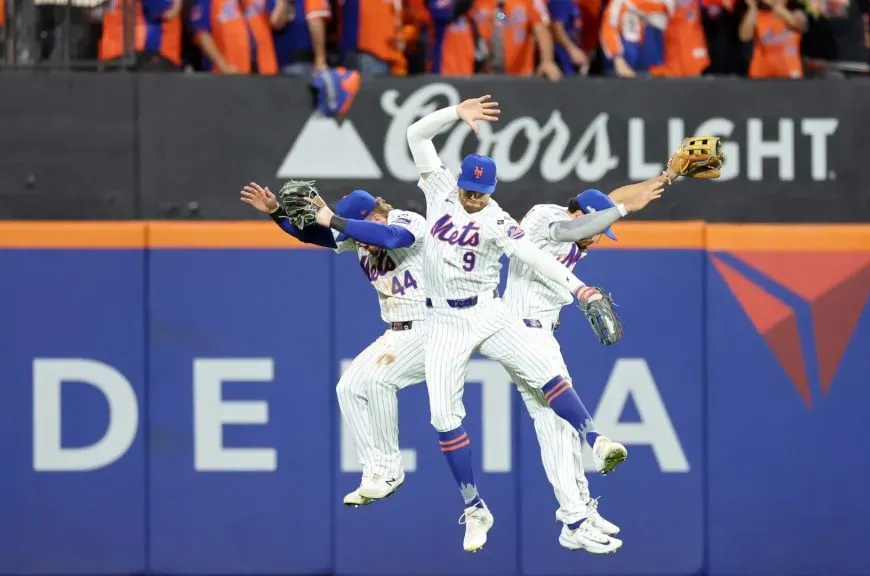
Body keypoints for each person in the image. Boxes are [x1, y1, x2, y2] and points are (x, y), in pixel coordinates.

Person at [406, 94, 630, 553]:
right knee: (443, 418)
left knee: (548, 373)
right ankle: (474, 507)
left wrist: (579, 289)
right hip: (443, 320)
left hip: (488, 312)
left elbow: (531, 256)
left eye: (480, 192)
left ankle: (596, 438)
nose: (472, 198)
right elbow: (415, 134)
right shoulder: (440, 189)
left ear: (490, 192)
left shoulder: (497, 219)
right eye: (469, 189)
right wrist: (454, 114)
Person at [502, 176, 670, 553]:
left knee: (556, 428)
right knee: (558, 423)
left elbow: (609, 201)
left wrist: (666, 177)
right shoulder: (548, 219)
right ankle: (575, 517)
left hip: (541, 332)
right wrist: (623, 209)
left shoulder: (582, 222)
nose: (597, 240)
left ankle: (577, 512)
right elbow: (574, 225)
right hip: (520, 331)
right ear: (581, 214)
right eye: (597, 229)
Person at [239, 181, 427, 506]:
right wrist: (275, 212)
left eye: (360, 231)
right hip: (398, 332)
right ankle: (374, 473)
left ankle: (391, 469)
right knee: (348, 388)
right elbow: (313, 235)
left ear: (376, 216)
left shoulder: (406, 220)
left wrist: (334, 219)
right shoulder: (361, 235)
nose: (360, 244)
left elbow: (391, 238)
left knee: (379, 381)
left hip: (433, 327)